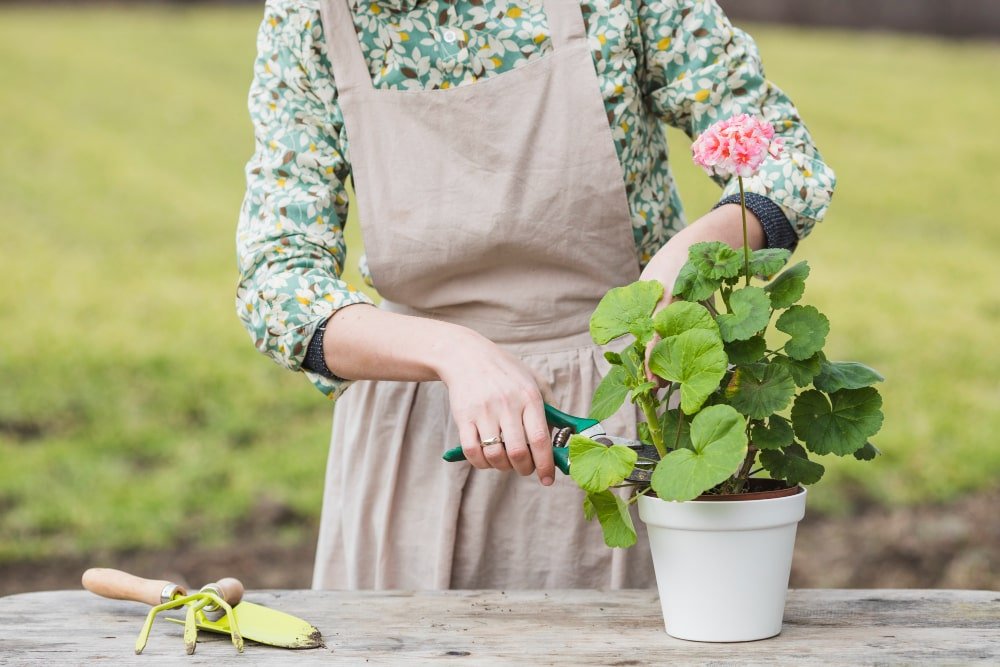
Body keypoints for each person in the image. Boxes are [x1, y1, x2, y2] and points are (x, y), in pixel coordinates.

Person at [235, 0, 835, 590]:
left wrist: (697, 249)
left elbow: (785, 159)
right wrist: (454, 352)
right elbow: (276, 280)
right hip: (418, 430)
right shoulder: (311, 16)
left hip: (627, 408)